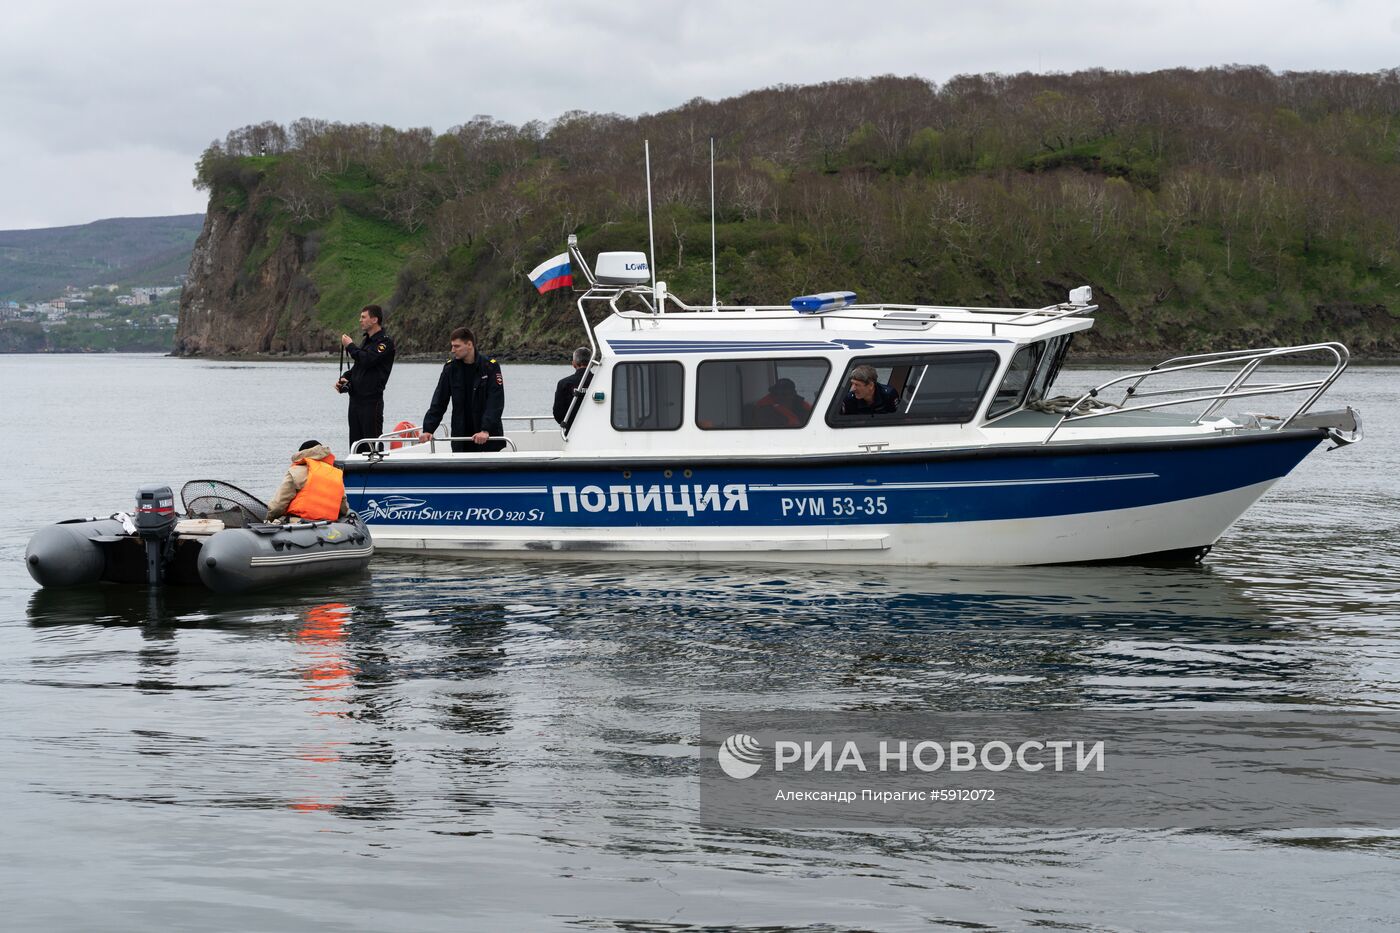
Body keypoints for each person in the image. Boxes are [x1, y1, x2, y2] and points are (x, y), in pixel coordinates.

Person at [419, 327, 505, 452]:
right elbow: (439, 402)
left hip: (488, 437)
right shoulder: (450, 369)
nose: (453, 350)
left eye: (457, 346)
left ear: (469, 344)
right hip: (461, 437)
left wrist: (486, 430)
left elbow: (495, 401)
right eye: (452, 346)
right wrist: (428, 429)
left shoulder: (490, 367)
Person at [338, 304, 396, 451]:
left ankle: (377, 473)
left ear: (375, 319)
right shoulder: (367, 341)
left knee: (372, 446)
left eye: (363, 317)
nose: (360, 320)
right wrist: (346, 378)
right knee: (355, 446)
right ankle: (358, 472)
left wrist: (350, 346)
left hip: (371, 401)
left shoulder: (384, 343)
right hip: (355, 400)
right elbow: (360, 366)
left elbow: (368, 360)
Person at [266, 440, 351, 523]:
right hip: (328, 525)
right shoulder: (335, 473)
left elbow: (278, 506)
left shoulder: (296, 471)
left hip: (299, 523)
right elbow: (343, 508)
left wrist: (268, 519)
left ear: (300, 454)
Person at [553, 346, 592, 426]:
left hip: (572, 431)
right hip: (598, 428)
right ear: (592, 364)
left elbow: (558, 413)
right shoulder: (600, 381)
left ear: (574, 364)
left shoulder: (563, 383)